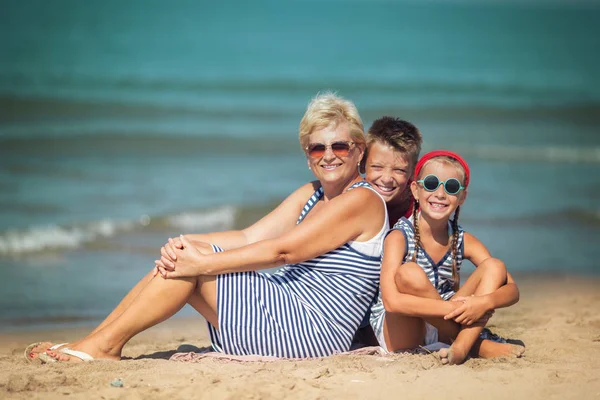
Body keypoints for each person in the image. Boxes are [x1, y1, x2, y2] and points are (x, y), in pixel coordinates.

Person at [25, 92, 389, 362]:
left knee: (194, 265)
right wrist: (184, 242)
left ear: (359, 150)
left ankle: (101, 347)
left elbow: (283, 251)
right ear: (307, 156)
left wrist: (201, 264)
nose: (328, 155)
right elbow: (248, 236)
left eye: (339, 146)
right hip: (289, 311)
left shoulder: (360, 200)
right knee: (182, 255)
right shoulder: (311, 194)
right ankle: (97, 341)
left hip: (312, 333)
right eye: (316, 148)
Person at [370, 150, 524, 365]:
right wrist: (458, 310)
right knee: (409, 273)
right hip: (402, 331)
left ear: (462, 197)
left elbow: (512, 290)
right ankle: (476, 345)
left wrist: (482, 303)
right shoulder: (399, 237)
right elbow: (391, 302)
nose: (440, 194)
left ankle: (461, 346)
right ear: (415, 190)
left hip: (443, 326)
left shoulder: (462, 239)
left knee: (494, 266)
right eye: (431, 183)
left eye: (451, 187)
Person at [351, 116, 423, 347]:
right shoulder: (353, 200)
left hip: (403, 305)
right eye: (377, 167)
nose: (387, 178)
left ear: (413, 172)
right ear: (362, 164)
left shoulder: (420, 213)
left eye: (400, 170)